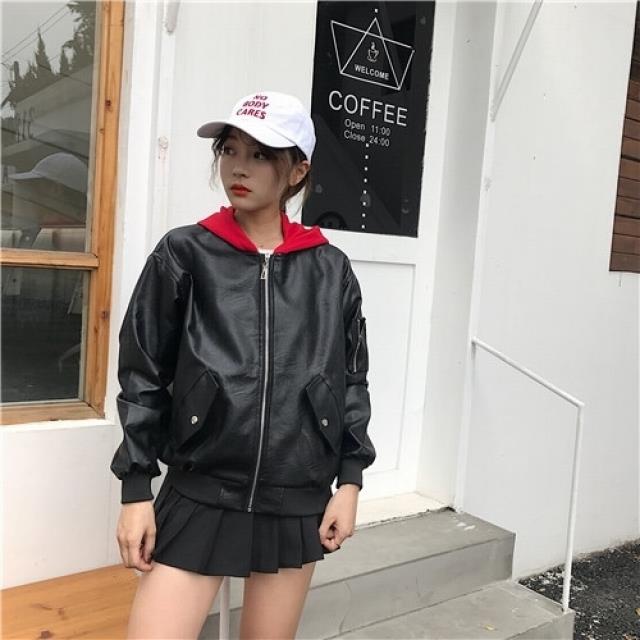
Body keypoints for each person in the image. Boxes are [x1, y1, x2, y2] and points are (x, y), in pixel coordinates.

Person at [110, 90, 376, 639]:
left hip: (296, 494)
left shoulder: (330, 270)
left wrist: (349, 482)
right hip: (201, 488)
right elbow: (142, 374)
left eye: (260, 155)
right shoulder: (185, 253)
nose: (238, 167)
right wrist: (136, 490)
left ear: (297, 170)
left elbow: (350, 379)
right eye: (230, 150)